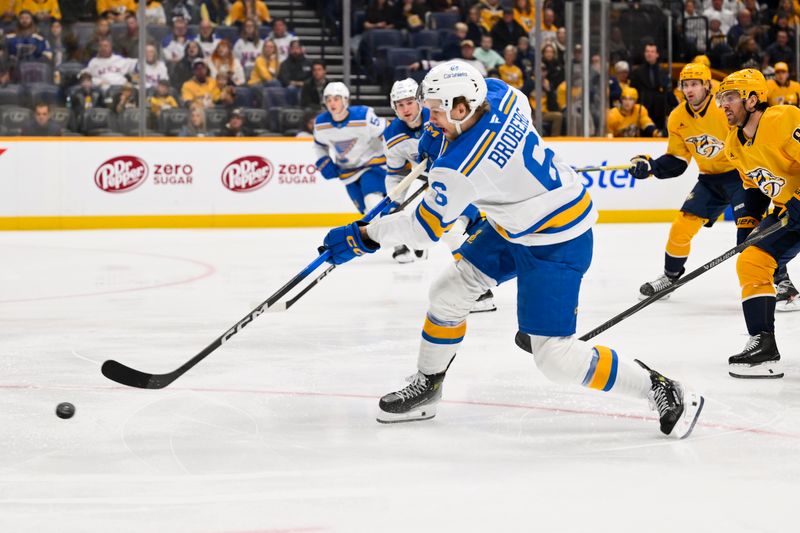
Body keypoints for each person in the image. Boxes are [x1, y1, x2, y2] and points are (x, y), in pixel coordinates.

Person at [318, 60, 704, 438]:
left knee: (554, 357)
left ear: (461, 107)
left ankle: (663, 388)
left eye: (435, 111)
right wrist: (446, 135)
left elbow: (422, 227)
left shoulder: (460, 167)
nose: (428, 117)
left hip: (557, 239)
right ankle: (428, 386)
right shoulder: (501, 96)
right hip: (515, 224)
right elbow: (507, 99)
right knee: (449, 293)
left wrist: (363, 236)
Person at [628, 63, 777, 305]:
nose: (689, 89)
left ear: (707, 85)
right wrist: (651, 167)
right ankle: (670, 277)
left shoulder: (725, 107)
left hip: (740, 176)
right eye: (685, 85)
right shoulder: (677, 117)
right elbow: (677, 161)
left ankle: (781, 282)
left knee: (749, 235)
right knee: (680, 228)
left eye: (695, 84)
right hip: (709, 180)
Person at [716, 69, 800, 378]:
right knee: (752, 261)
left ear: (752, 99)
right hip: (787, 212)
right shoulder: (734, 144)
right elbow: (753, 188)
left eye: (730, 98)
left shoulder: (783, 119)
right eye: (721, 99)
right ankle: (763, 343)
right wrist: (746, 228)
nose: (724, 105)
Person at [312, 82, 388, 215]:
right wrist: (324, 159)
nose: (332, 103)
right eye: (328, 100)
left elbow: (387, 132)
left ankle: (391, 229)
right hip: (347, 173)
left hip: (371, 166)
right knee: (366, 213)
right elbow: (319, 145)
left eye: (336, 99)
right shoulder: (321, 124)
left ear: (345, 100)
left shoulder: (363, 115)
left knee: (373, 201)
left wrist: (396, 154)